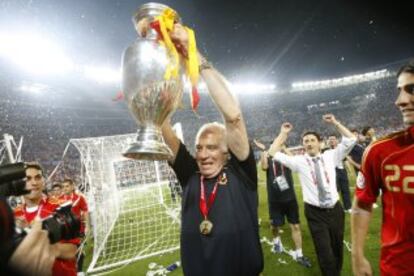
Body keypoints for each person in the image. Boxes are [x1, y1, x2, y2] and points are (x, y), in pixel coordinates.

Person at [160, 23, 263, 275]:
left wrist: (194, 57)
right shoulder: (189, 173)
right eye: (199, 148)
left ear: (228, 152)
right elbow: (162, 126)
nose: (203, 154)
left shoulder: (241, 171)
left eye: (212, 147)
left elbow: (234, 117)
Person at [268, 114, 356, 276]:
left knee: (337, 248)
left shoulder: (331, 156)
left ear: (320, 143)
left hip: (335, 210)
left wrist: (336, 122)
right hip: (315, 213)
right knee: (324, 251)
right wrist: (283, 133)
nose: (308, 143)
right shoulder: (299, 161)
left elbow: (351, 139)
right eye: (306, 141)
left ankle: (335, 272)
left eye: (312, 140)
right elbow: (272, 152)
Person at [352, 61, 414, 276]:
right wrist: (357, 257)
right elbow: (361, 204)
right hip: (397, 269)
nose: (400, 101)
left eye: (411, 90)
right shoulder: (380, 152)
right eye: (400, 91)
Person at [13, 162, 78, 276]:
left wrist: (46, 246)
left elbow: (72, 250)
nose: (34, 182)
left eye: (37, 177)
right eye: (28, 179)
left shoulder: (60, 207)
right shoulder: (14, 215)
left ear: (43, 181)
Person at [254, 139, 311, 268]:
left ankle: (299, 253)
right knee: (275, 226)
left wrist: (284, 147)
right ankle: (276, 242)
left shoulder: (286, 159)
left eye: (279, 144)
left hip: (290, 198)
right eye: (275, 145)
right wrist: (264, 150)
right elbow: (264, 167)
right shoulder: (268, 158)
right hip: (275, 199)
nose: (277, 146)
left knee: (295, 226)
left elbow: (296, 162)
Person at [61, 178, 89, 273]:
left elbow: (85, 211)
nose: (65, 188)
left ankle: (80, 272)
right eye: (63, 187)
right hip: (65, 231)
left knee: (79, 251)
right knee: (68, 253)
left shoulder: (79, 198)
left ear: (72, 186)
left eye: (67, 186)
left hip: (78, 229)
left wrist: (87, 226)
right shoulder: (59, 200)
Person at [327, 134, 352, 212]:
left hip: (341, 171)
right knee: (335, 190)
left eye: (333, 139)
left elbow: (345, 161)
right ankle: (336, 208)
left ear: (337, 141)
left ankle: (348, 207)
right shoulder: (325, 151)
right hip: (332, 171)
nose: (331, 141)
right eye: (330, 139)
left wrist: (349, 171)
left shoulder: (340, 150)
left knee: (345, 189)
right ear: (328, 142)